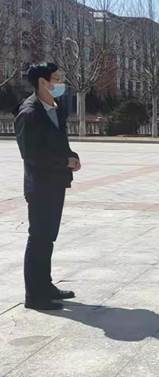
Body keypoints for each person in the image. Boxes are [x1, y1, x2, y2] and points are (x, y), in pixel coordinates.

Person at [15, 63, 80, 311]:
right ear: (42, 82)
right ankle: (34, 295)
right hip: (40, 185)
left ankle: (45, 285)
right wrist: (63, 162)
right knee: (39, 237)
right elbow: (31, 155)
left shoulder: (55, 108)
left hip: (56, 183)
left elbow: (60, 143)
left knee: (48, 237)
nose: (60, 83)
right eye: (56, 78)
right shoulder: (29, 113)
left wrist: (72, 157)